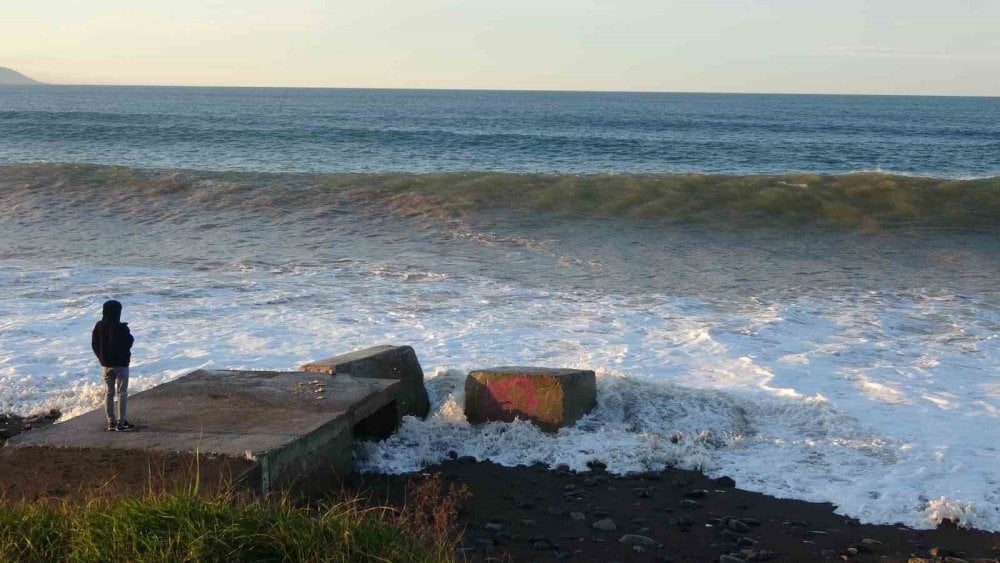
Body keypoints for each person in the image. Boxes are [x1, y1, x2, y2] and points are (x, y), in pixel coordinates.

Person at [91, 300, 135, 432]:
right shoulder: (121, 328)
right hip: (121, 364)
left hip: (106, 365)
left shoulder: (99, 326)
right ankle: (122, 423)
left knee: (108, 393)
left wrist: (101, 358)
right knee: (122, 393)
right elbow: (129, 342)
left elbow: (94, 344)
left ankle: (111, 422)